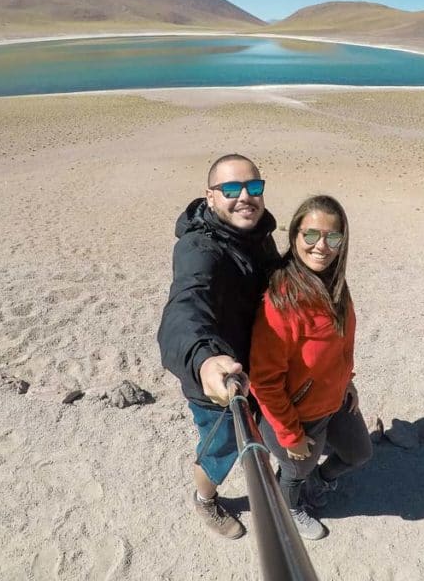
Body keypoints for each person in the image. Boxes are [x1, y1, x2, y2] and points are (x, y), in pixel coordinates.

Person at [158, 154, 279, 539]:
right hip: (221, 383)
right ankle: (205, 498)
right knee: (220, 448)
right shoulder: (199, 249)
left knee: (262, 430)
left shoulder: (257, 234)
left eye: (253, 187)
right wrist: (204, 361)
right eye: (231, 189)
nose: (245, 196)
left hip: (257, 365)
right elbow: (186, 305)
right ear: (210, 197)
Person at [250, 195, 372, 540]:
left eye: (333, 238)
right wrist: (290, 435)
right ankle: (288, 506)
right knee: (295, 467)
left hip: (333, 401)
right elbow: (265, 380)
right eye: (311, 235)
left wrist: (347, 380)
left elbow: (342, 341)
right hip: (296, 414)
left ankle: (319, 481)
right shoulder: (281, 300)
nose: (322, 246)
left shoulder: (335, 284)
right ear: (294, 237)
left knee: (359, 453)